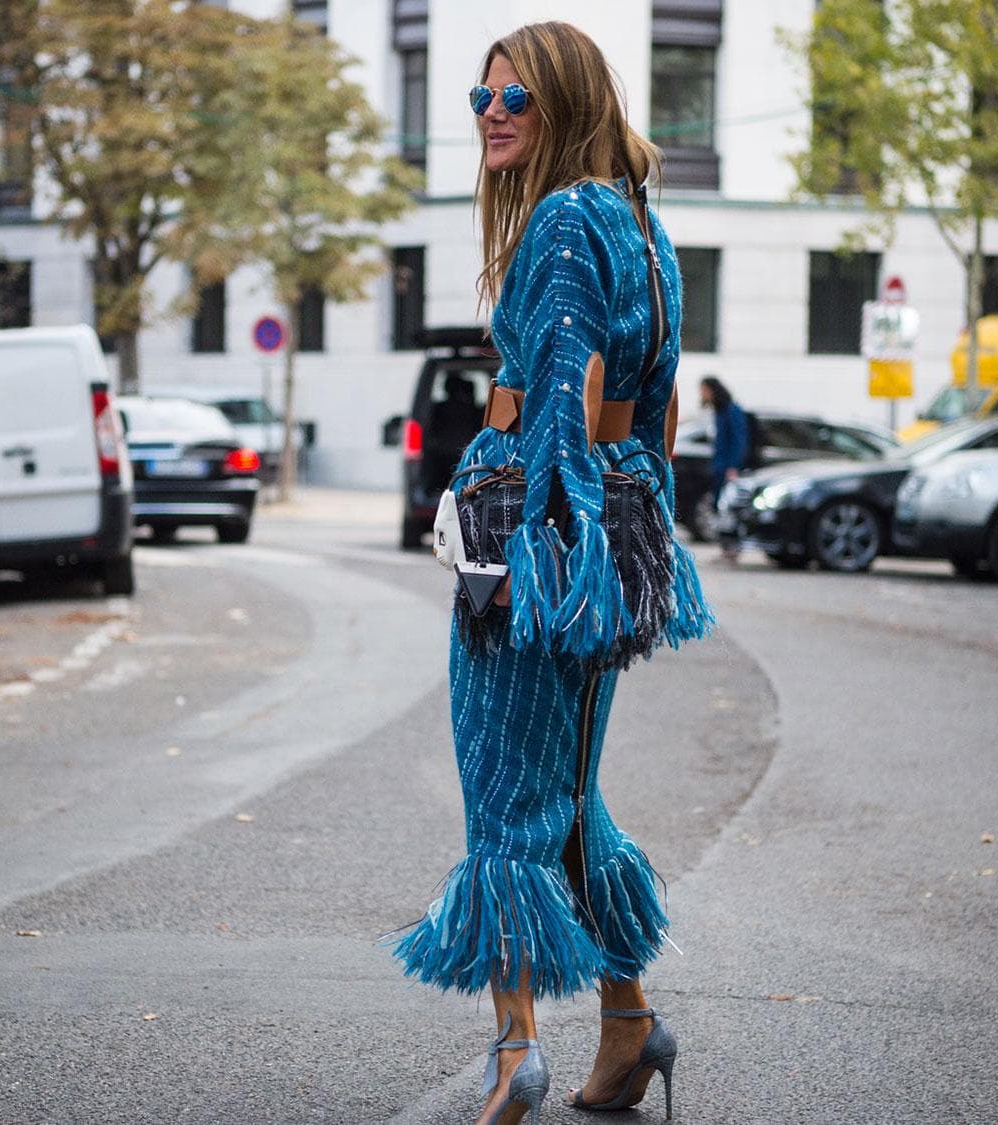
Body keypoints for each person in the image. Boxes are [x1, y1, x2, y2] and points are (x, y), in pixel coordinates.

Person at [387, 22, 711, 1125]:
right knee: (567, 795)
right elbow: (657, 408)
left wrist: (532, 543)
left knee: (501, 797)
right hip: (604, 531)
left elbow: (567, 393)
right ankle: (627, 1024)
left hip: (540, 538)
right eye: (481, 98)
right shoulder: (638, 220)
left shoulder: (567, 219)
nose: (491, 113)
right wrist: (630, 534)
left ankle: (514, 1048)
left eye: (514, 97)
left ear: (563, 102)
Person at [700, 376, 750, 560]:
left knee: (728, 506)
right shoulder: (718, 412)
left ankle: (732, 545)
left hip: (727, 467)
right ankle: (726, 546)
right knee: (718, 505)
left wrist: (733, 466)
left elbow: (739, 440)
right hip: (719, 465)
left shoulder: (731, 411)